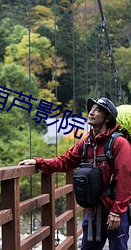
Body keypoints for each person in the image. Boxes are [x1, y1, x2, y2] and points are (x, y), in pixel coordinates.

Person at [18, 97, 131, 250]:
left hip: (114, 211)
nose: (91, 112)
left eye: (97, 110)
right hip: (94, 211)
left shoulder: (119, 143)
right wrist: (39, 162)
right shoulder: (86, 143)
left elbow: (125, 178)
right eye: (91, 109)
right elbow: (65, 161)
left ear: (108, 118)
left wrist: (117, 212)